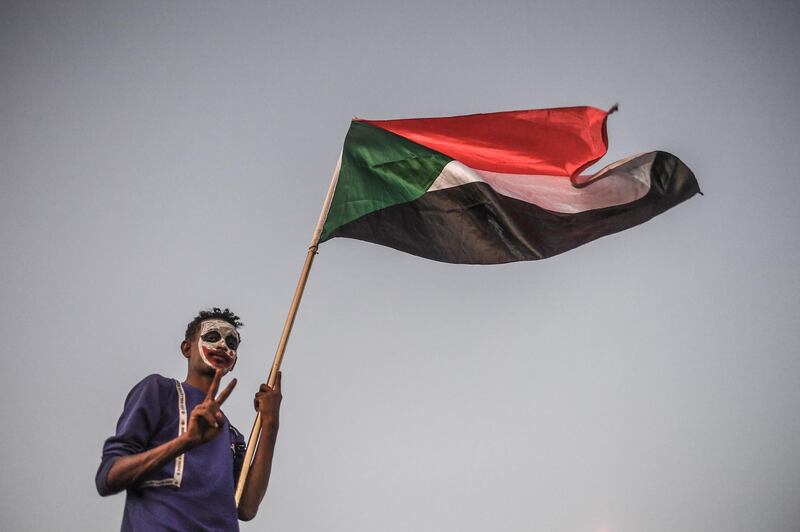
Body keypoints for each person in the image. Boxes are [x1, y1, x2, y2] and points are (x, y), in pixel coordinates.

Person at [96, 308, 281, 530]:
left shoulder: (231, 434)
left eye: (231, 343)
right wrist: (186, 441)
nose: (223, 346)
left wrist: (270, 423)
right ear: (187, 348)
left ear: (234, 361)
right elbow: (108, 476)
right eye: (212, 337)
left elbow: (246, 508)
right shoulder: (161, 392)